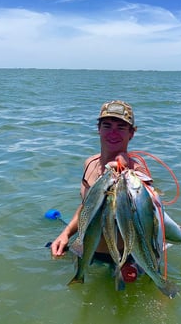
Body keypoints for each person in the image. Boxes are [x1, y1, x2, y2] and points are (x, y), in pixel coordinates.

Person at [51, 100, 148, 281]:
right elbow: (86, 207)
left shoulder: (136, 173)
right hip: (89, 250)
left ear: (132, 133)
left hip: (124, 259)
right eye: (107, 125)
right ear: (98, 129)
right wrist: (65, 234)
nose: (112, 133)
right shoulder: (90, 163)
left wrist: (125, 170)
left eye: (121, 127)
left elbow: (149, 214)